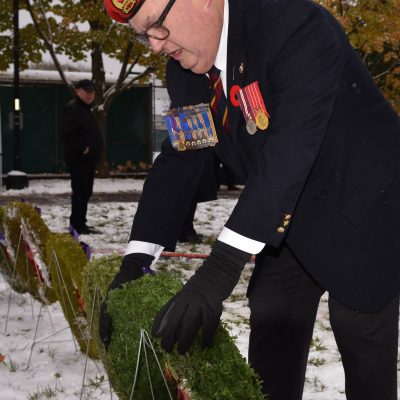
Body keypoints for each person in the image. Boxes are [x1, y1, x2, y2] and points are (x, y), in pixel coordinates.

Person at [101, 1, 400, 399]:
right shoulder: (188, 70)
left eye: (156, 26)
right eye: (143, 34)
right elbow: (180, 158)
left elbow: (289, 150)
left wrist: (221, 268)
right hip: (283, 213)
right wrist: (137, 258)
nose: (155, 46)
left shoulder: (294, 24)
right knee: (273, 319)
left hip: (363, 204)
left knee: (360, 339)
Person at [60, 79, 103, 235]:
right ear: (77, 91)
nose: (90, 94)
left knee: (85, 191)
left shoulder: (85, 109)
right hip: (78, 159)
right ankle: (77, 224)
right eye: (86, 91)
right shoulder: (73, 109)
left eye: (92, 91)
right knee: (80, 191)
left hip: (87, 159)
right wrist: (82, 148)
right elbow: (66, 133)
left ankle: (80, 222)